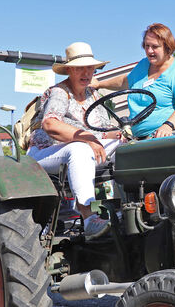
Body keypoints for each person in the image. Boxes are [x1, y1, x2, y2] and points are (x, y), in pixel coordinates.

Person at [28, 42, 119, 238]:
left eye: (90, 67)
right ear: (69, 70)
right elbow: (50, 124)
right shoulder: (60, 92)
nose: (86, 72)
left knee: (129, 148)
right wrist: (87, 138)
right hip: (47, 152)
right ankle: (89, 217)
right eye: (80, 68)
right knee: (80, 149)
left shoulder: (93, 95)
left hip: (85, 150)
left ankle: (126, 209)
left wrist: (120, 134)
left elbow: (103, 130)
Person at [93, 23, 175, 139]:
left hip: (170, 132)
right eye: (147, 46)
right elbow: (125, 81)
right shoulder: (143, 65)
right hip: (138, 135)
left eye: (155, 46)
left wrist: (168, 126)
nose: (149, 51)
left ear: (167, 47)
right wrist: (99, 84)